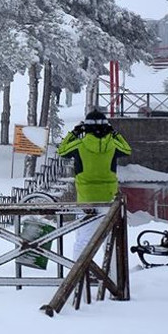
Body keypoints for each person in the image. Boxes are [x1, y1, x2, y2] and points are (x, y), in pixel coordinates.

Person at [57, 109, 131, 258]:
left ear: (86, 127)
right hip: (109, 198)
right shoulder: (113, 145)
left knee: (84, 239)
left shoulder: (79, 145)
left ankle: (79, 270)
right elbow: (127, 149)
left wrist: (74, 133)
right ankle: (111, 271)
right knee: (110, 239)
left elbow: (62, 151)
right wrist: (115, 133)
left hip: (86, 199)